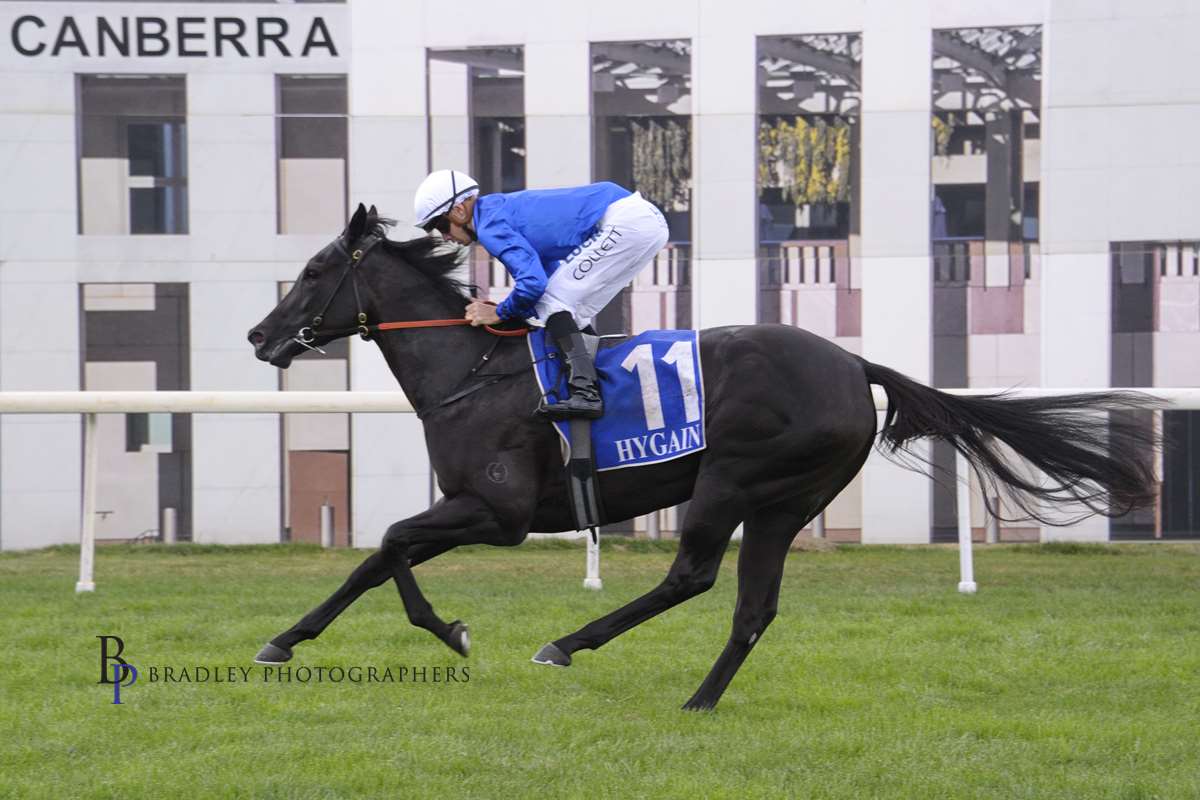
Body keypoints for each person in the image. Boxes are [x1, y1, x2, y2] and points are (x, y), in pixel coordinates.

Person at [413, 170, 669, 420]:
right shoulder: (496, 212)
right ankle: (597, 384)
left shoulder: (490, 226)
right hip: (646, 222)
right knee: (569, 311)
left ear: (459, 210)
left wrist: (499, 312)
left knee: (554, 304)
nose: (445, 237)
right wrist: (517, 312)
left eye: (440, 225)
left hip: (626, 222)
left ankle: (586, 393)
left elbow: (533, 284)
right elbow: (545, 281)